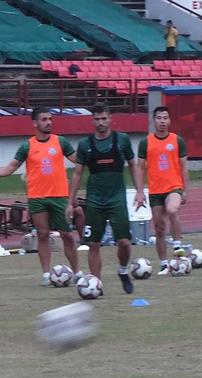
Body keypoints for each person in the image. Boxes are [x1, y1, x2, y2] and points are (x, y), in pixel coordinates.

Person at [0, 108, 82, 286]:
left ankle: (77, 272)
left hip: (59, 195)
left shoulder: (60, 142)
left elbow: (78, 160)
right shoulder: (27, 146)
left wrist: (91, 156)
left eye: (50, 119)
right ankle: (46, 274)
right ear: (35, 123)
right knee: (43, 234)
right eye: (44, 119)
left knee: (67, 235)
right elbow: (9, 169)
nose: (49, 122)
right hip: (37, 197)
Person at [67, 103, 146, 294]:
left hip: (116, 198)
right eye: (97, 119)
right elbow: (77, 174)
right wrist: (71, 201)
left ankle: (123, 270)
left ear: (110, 119)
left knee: (125, 242)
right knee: (93, 243)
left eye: (104, 118)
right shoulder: (85, 145)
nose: (101, 122)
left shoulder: (122, 140)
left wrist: (140, 191)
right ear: (92, 120)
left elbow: (133, 165)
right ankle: (96, 284)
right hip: (94, 199)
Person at [138, 107, 189, 275]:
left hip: (174, 186)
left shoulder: (177, 140)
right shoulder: (146, 142)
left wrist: (186, 190)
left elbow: (183, 166)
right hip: (155, 190)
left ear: (170, 121)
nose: (162, 121)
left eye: (165, 118)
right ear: (154, 120)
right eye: (159, 118)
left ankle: (177, 244)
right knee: (159, 229)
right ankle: (164, 264)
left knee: (172, 208)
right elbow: (140, 167)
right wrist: (139, 191)